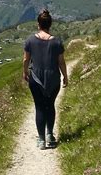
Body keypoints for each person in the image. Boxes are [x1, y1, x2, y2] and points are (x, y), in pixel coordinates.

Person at [23, 9, 68, 149]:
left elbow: (25, 59)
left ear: (38, 24)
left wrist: (25, 72)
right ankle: (50, 135)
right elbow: (61, 62)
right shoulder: (57, 42)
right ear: (50, 24)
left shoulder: (30, 40)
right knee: (50, 105)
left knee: (39, 107)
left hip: (36, 79)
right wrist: (65, 76)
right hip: (53, 79)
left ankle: (41, 140)